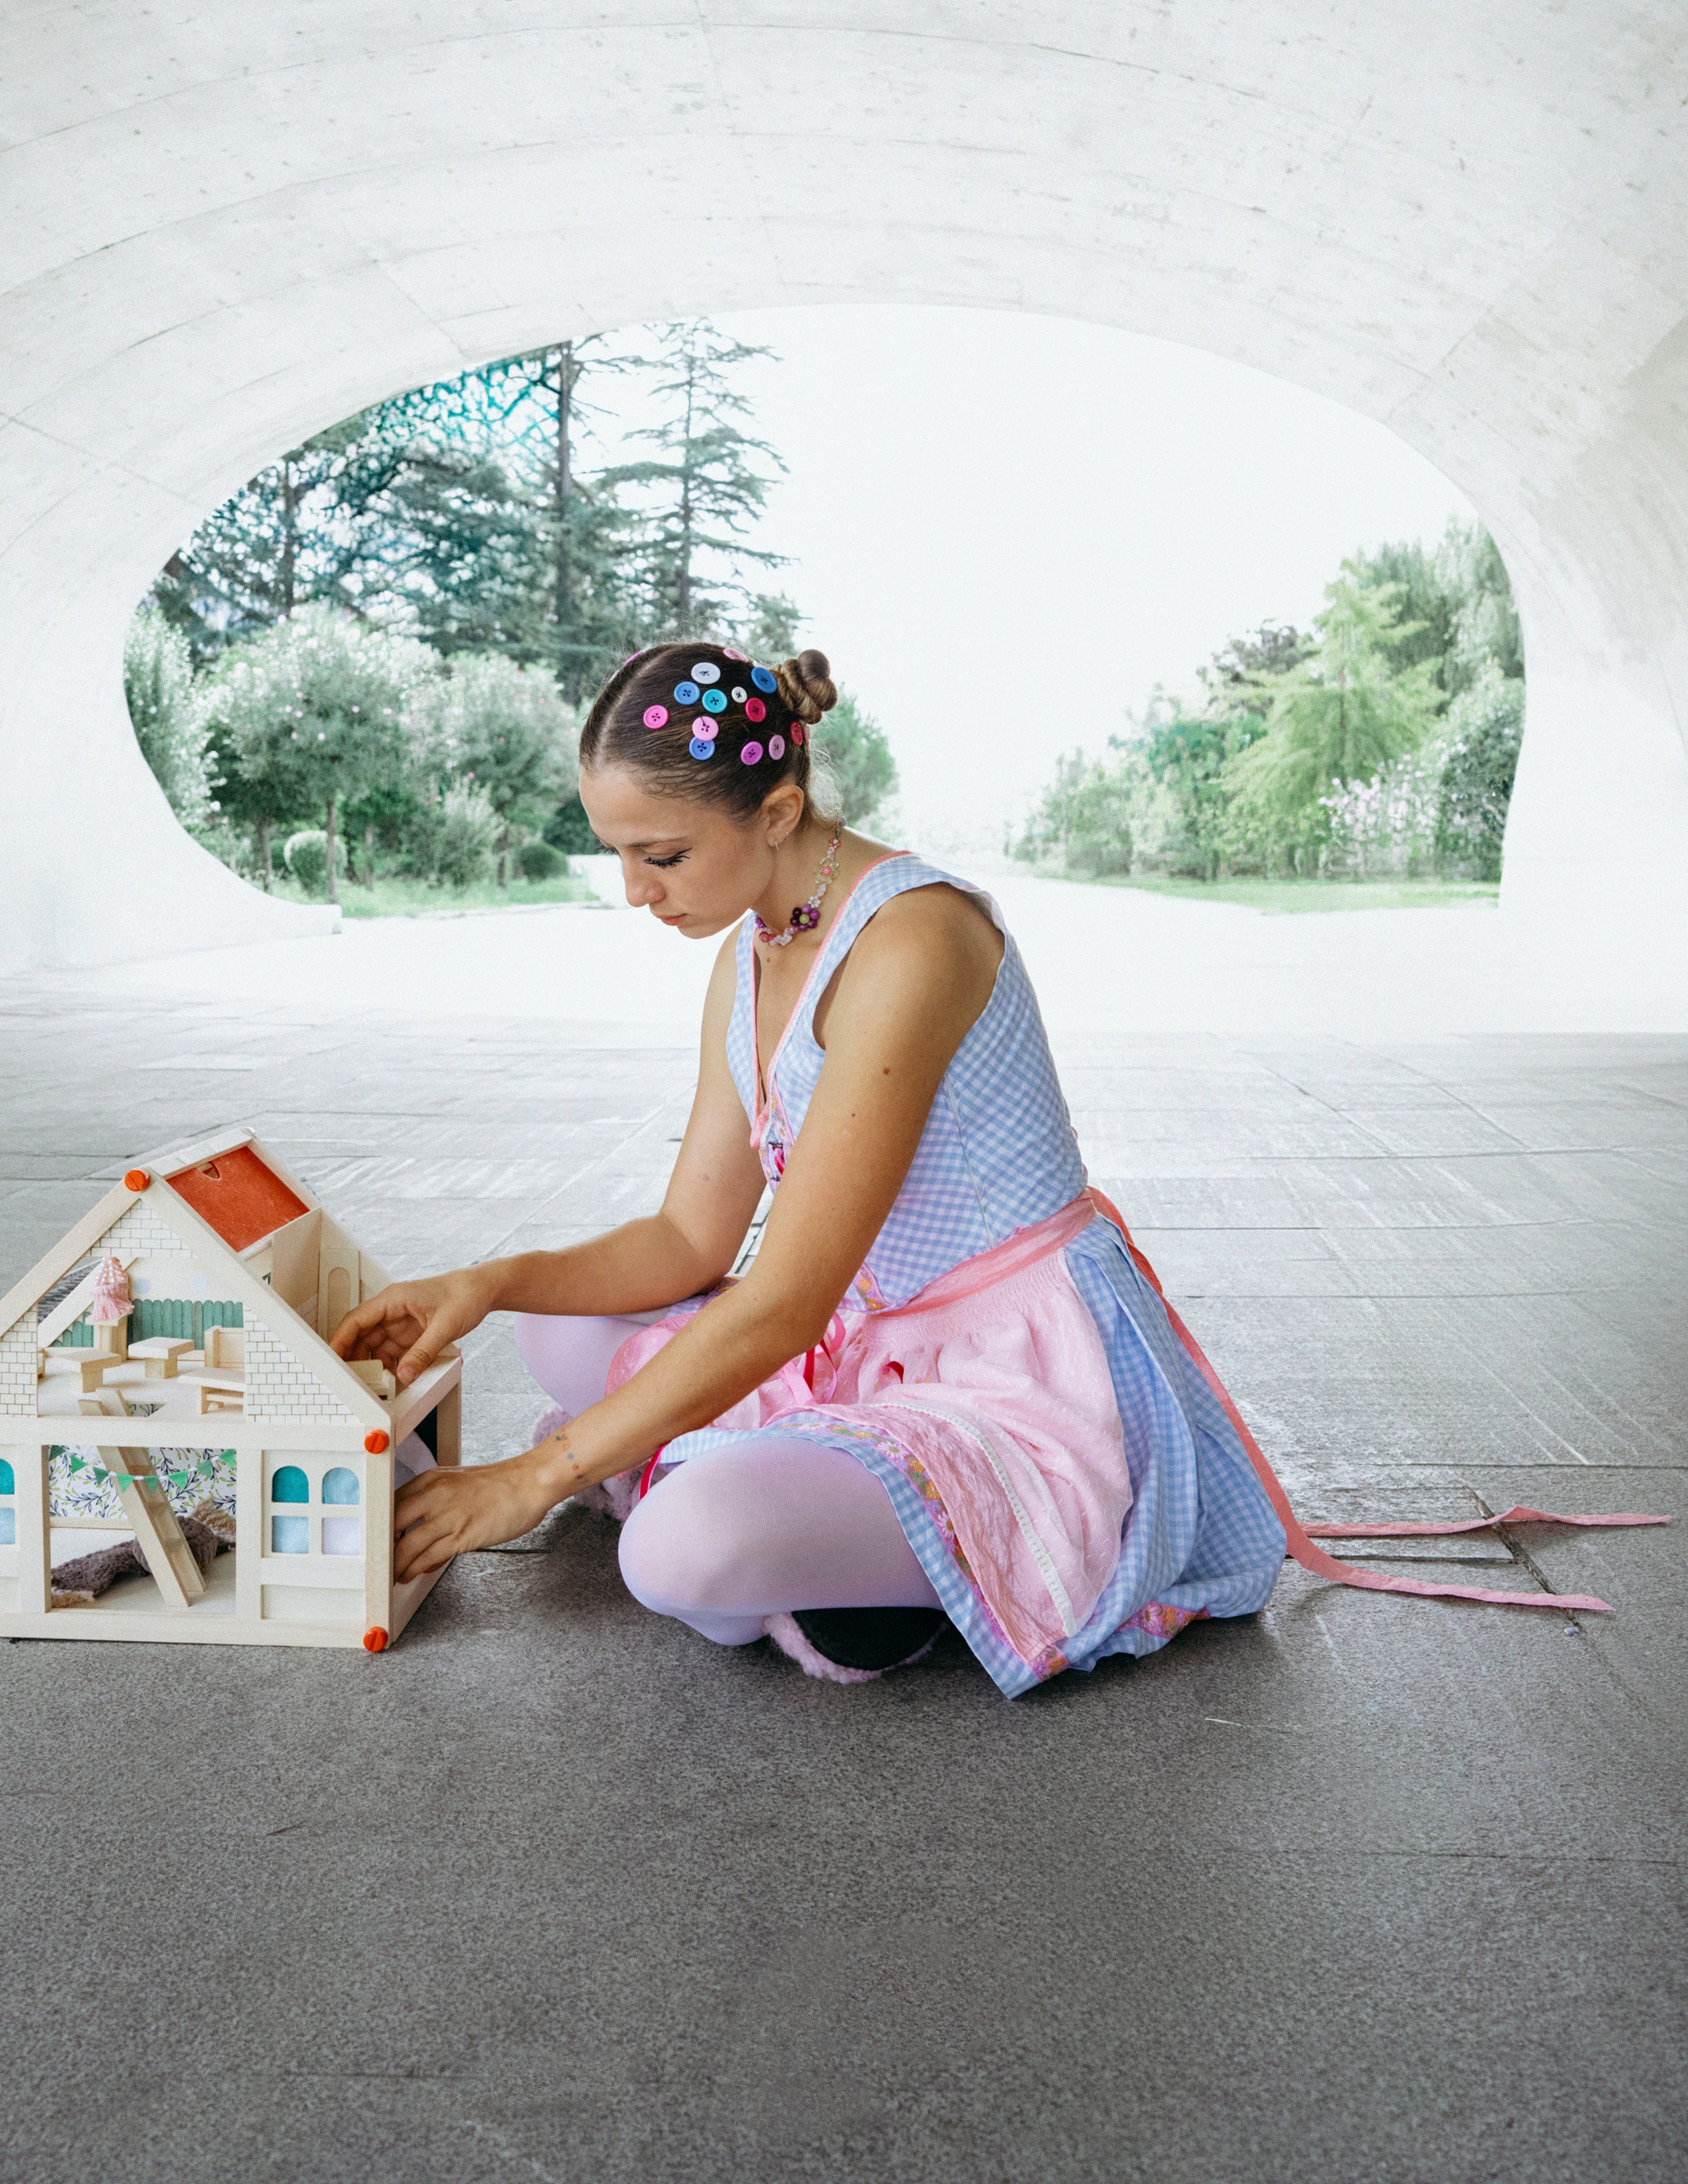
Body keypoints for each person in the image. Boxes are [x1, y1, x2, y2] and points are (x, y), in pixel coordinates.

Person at [330, 635, 1292, 1691]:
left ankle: (859, 1549)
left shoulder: (913, 941)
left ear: (779, 813)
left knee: (675, 1551)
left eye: (661, 855)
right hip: (863, 1332)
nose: (635, 893)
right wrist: (488, 1284)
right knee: (553, 1326)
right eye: (617, 853)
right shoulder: (753, 946)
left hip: (1012, 1369)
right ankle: (818, 1550)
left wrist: (535, 1478)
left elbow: (784, 1302)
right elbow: (690, 1240)